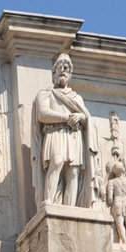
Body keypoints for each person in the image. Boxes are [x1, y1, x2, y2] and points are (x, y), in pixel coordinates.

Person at [31, 52, 91, 209]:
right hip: (54, 133)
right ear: (54, 72)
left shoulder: (77, 98)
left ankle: (70, 209)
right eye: (60, 67)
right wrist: (67, 117)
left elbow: (87, 118)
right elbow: (42, 114)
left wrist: (80, 118)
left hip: (74, 136)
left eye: (67, 68)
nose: (63, 70)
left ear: (70, 73)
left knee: (73, 172)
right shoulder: (45, 94)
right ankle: (48, 203)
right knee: (56, 162)